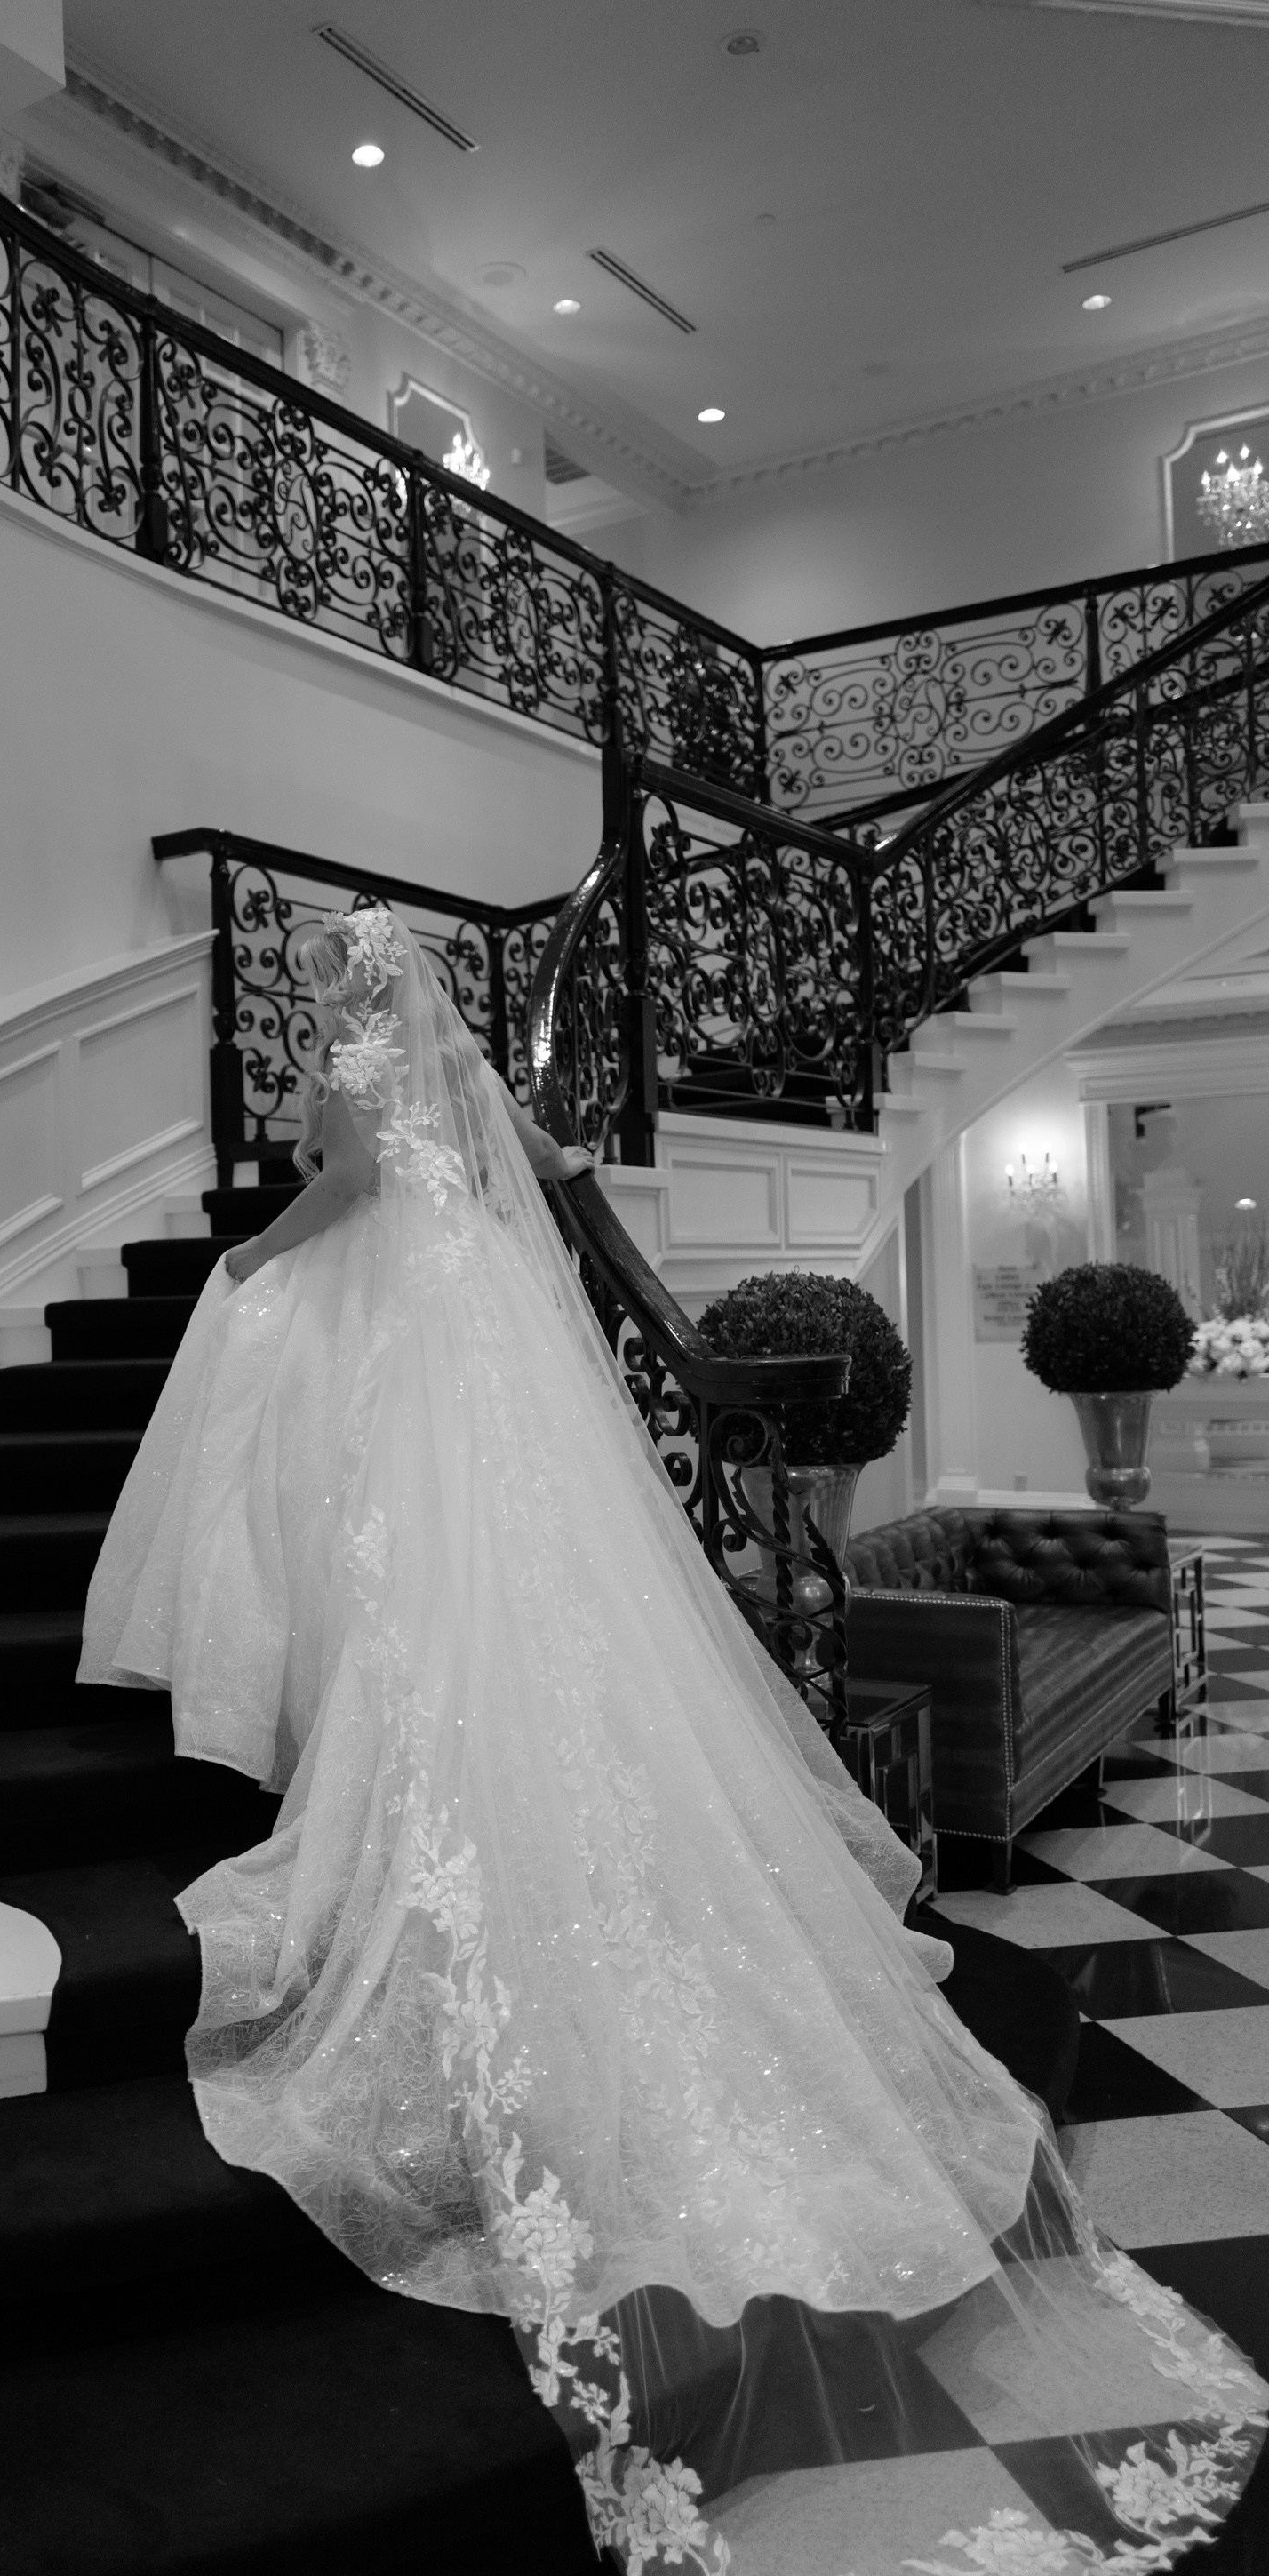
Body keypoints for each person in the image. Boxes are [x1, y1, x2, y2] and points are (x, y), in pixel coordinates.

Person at [81, 906, 1265, 2572]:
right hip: (474, 1320)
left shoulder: (356, 1071)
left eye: (338, 982)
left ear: (352, 991)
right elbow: (549, 1146)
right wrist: (529, 1183)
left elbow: (342, 1192)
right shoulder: (459, 1063)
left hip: (409, 1335)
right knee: (507, 1589)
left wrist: (250, 1260)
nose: (338, 1001)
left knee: (416, 1586)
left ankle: (412, 1806)